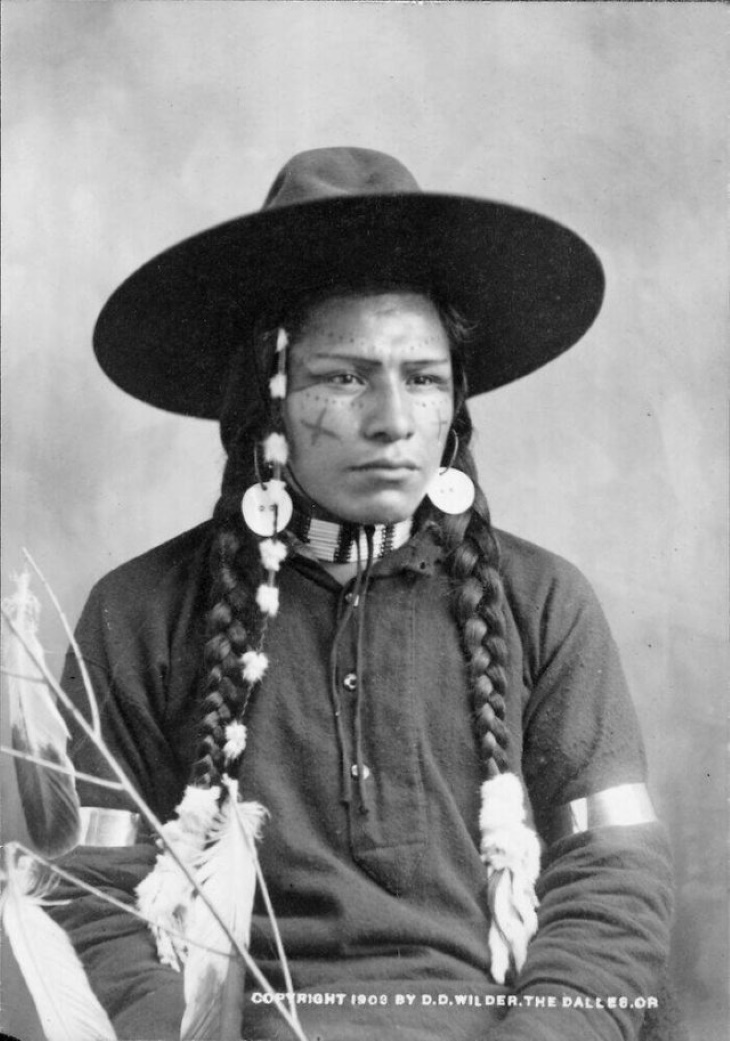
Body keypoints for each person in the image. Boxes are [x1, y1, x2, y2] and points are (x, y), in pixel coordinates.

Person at [48, 148, 674, 1041]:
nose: (392, 420)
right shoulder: (142, 612)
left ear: (455, 403)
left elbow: (612, 879)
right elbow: (87, 894)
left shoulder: (541, 602)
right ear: (267, 399)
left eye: (422, 378)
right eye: (344, 377)